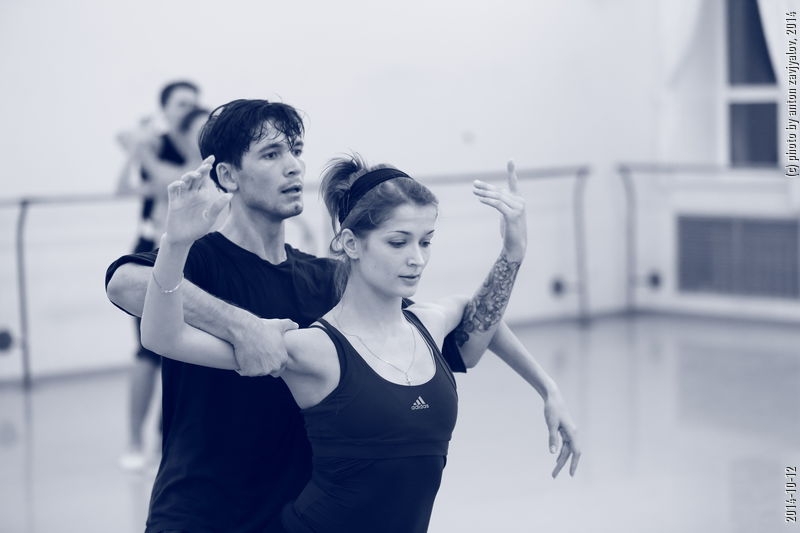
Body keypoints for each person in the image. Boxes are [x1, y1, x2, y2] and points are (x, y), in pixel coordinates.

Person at [104, 99, 580, 532]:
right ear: (228, 176)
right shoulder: (200, 258)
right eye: (271, 154)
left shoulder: (324, 278)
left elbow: (461, 332)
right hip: (203, 515)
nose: (294, 165)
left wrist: (547, 385)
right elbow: (126, 284)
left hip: (290, 509)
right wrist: (239, 322)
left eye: (296, 151)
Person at [114, 80, 205, 470]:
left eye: (193, 103)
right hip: (153, 249)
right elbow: (128, 188)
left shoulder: (201, 153)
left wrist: (141, 150)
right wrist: (138, 149)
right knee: (146, 348)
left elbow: (178, 175)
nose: (189, 110)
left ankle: (167, 439)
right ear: (165, 109)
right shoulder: (157, 145)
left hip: (193, 253)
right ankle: (135, 440)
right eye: (181, 103)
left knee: (181, 350)